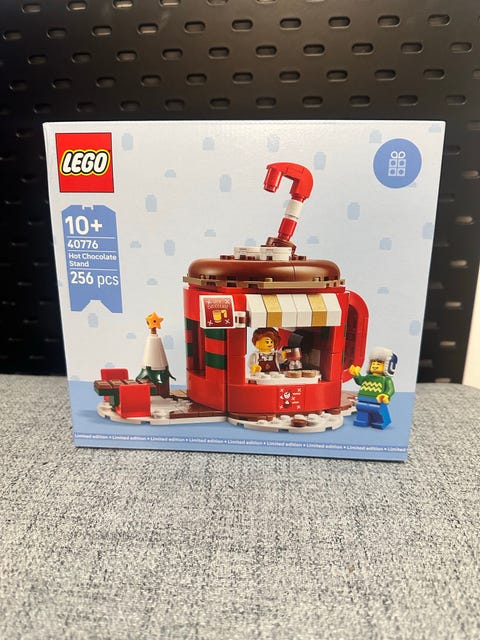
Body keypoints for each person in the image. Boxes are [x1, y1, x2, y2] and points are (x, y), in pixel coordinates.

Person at [349, 347, 397, 429]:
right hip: (363, 399)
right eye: (373, 363)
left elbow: (391, 389)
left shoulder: (386, 379)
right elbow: (360, 381)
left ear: (387, 366)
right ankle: (362, 420)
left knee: (378, 411)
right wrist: (356, 375)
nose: (375, 365)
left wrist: (386, 395)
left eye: (378, 364)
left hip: (377, 401)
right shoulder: (368, 377)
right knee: (362, 409)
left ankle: (380, 421)